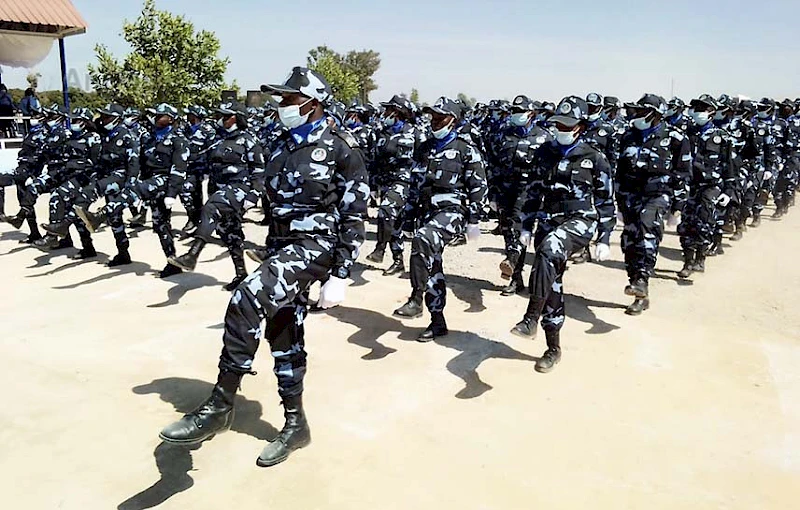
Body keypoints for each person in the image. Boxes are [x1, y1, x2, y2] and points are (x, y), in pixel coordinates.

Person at [158, 67, 369, 468]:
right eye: (281, 99)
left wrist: (342, 272)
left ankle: (221, 403)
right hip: (280, 244)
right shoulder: (279, 143)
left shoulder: (343, 147)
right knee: (282, 329)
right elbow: (263, 192)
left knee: (248, 294)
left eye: (288, 99)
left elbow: (355, 213)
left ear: (313, 103)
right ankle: (296, 424)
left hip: (317, 245)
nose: (281, 106)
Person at [510, 96, 615, 372]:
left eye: (567, 126)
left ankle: (530, 318)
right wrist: (524, 227)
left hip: (580, 220)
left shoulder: (595, 157)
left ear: (580, 126)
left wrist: (604, 237)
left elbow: (606, 201)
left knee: (549, 249)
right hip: (549, 219)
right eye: (558, 124)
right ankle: (552, 346)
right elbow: (532, 193)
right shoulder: (544, 153)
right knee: (549, 281)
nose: (561, 129)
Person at [392, 96, 487, 341]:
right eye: (431, 117)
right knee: (432, 264)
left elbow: (478, 185)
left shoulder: (466, 149)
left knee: (424, 240)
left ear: (452, 120)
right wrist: (408, 216)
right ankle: (437, 321)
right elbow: (415, 184)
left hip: (452, 211)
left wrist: (474, 221)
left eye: (439, 117)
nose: (434, 121)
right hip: (426, 212)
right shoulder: (424, 148)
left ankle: (415, 298)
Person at [75, 103, 189, 276]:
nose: (156, 118)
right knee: (161, 225)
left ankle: (99, 216)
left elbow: (179, 168)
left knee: (133, 191)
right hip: (150, 182)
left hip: (164, 181)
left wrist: (172, 193)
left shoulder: (178, 139)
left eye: (160, 116)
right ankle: (173, 261)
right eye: (155, 115)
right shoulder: (149, 138)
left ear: (171, 119)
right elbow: (140, 162)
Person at [167, 101, 266, 290]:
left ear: (236, 118)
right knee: (230, 232)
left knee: (210, 208)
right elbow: (195, 154)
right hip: (216, 188)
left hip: (239, 188)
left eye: (225, 116)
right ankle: (241, 274)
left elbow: (259, 170)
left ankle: (192, 255)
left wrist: (254, 195)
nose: (220, 119)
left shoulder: (248, 139)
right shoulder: (215, 138)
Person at [616, 94, 691, 312]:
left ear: (655, 114)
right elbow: (620, 171)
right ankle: (637, 286)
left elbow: (682, 173)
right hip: (630, 196)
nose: (636, 115)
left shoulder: (676, 138)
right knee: (629, 240)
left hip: (658, 195)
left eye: (641, 112)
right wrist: (619, 201)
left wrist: (678, 206)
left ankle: (642, 280)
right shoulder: (628, 136)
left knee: (647, 230)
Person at [493, 94, 553, 295]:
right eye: (514, 111)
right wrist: (493, 193)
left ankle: (511, 260)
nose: (515, 115)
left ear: (531, 113)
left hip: (528, 191)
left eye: (520, 112)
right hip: (505, 190)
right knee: (507, 230)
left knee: (518, 226)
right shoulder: (503, 134)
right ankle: (516, 278)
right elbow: (494, 163)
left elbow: (551, 168)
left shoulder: (544, 137)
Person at [677, 95, 734, 277]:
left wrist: (729, 190)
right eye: (696, 107)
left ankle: (700, 259)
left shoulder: (721, 137)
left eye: (702, 108)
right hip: (688, 185)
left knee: (704, 221)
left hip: (710, 185)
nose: (697, 111)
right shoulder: (686, 133)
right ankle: (687, 261)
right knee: (686, 224)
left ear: (711, 112)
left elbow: (729, 165)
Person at [34, 107, 102, 258]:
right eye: (72, 120)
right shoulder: (71, 136)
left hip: (83, 178)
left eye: (76, 120)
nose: (73, 123)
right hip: (68, 176)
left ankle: (52, 236)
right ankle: (86, 247)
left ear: (84, 122)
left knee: (57, 198)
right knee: (73, 212)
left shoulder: (93, 137)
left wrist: (79, 166)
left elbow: (96, 162)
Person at [365, 95, 419, 276]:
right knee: (394, 223)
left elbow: (425, 158)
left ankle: (379, 250)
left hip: (404, 182)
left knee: (386, 211)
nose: (384, 113)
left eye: (388, 110)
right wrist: (372, 186)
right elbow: (374, 160)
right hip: (385, 183)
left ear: (396, 112)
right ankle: (398, 261)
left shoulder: (415, 133)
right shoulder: (380, 133)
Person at [177, 105, 217, 238]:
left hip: (200, 168)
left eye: (190, 115)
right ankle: (195, 219)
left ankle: (194, 219)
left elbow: (212, 151)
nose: (188, 117)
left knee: (186, 190)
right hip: (185, 167)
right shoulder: (184, 129)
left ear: (196, 116)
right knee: (194, 195)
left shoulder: (208, 130)